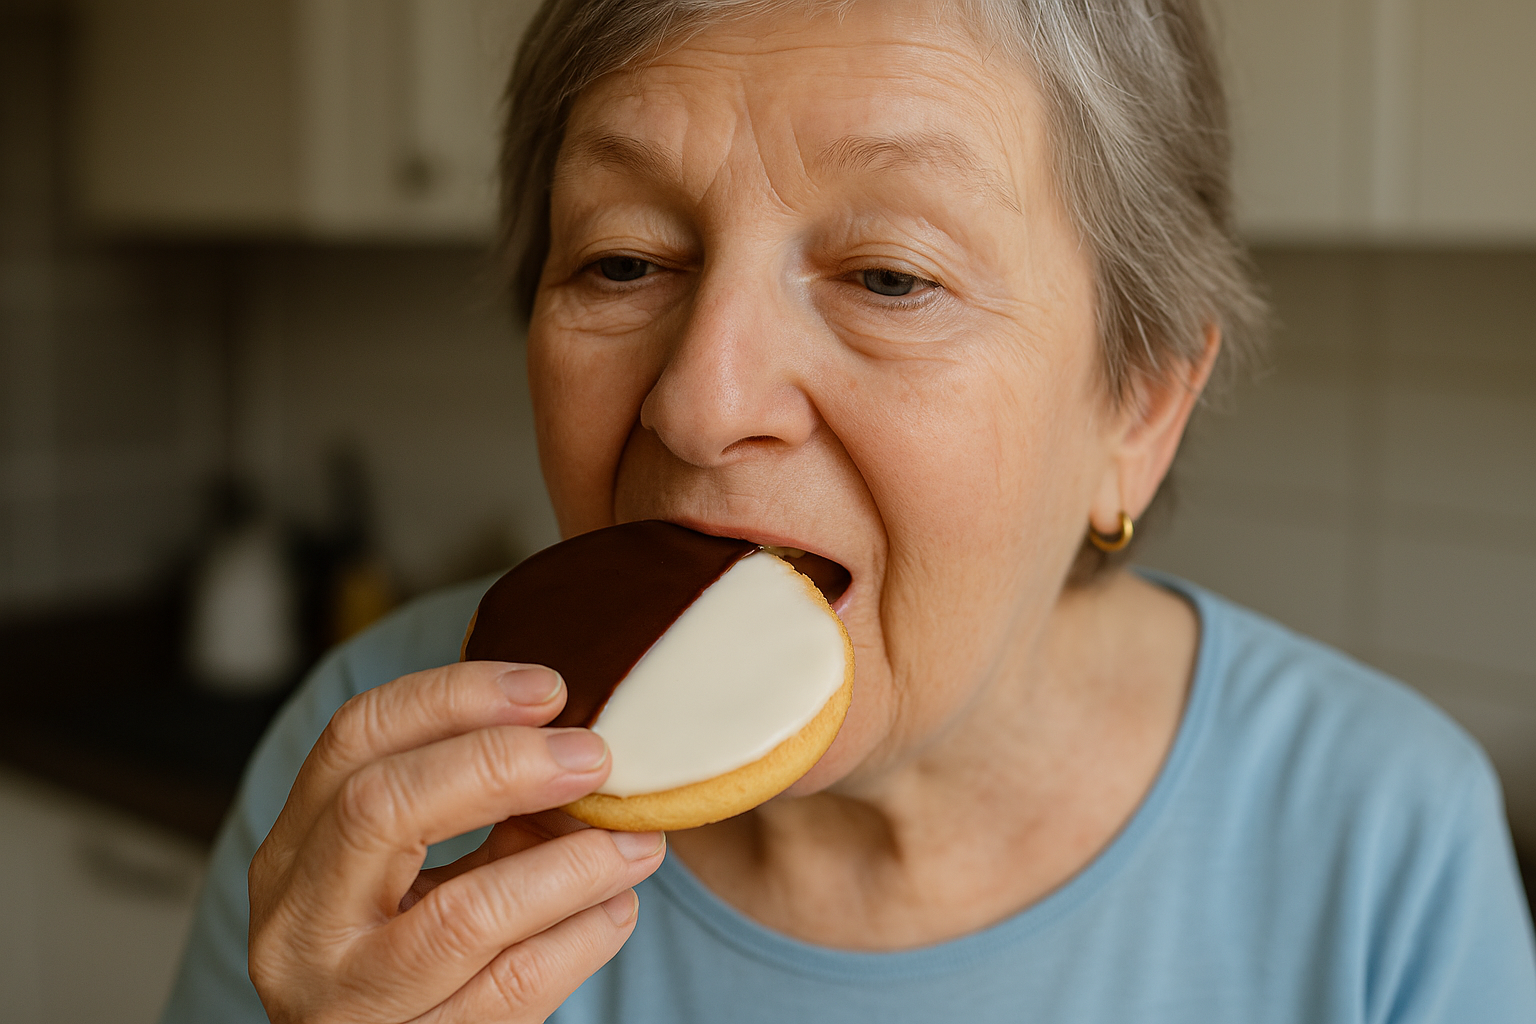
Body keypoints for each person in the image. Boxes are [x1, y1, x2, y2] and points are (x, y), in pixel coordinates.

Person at [162, 0, 1536, 1020]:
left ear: (1138, 410)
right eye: (624, 258)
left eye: (889, 275)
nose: (701, 402)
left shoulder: (1379, 847)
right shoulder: (380, 788)